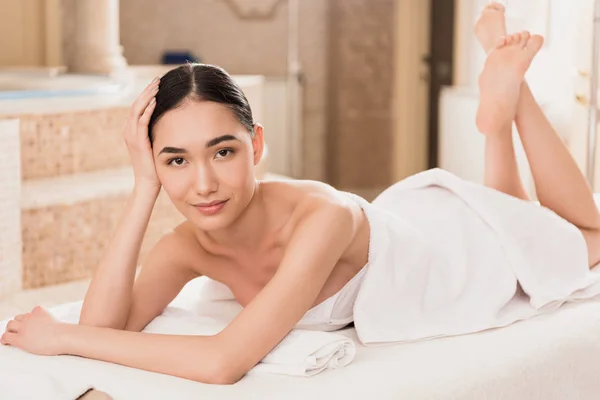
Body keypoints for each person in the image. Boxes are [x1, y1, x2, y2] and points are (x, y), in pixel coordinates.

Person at [3, 3, 600, 384]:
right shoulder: (185, 247)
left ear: (257, 145)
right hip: (405, 222)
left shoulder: (321, 215)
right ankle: (497, 113)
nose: (203, 183)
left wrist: (59, 336)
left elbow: (222, 361)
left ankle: (511, 100)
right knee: (514, 214)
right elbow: (109, 326)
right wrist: (142, 191)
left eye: (224, 151)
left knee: (582, 236)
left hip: (441, 254)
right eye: (176, 161)